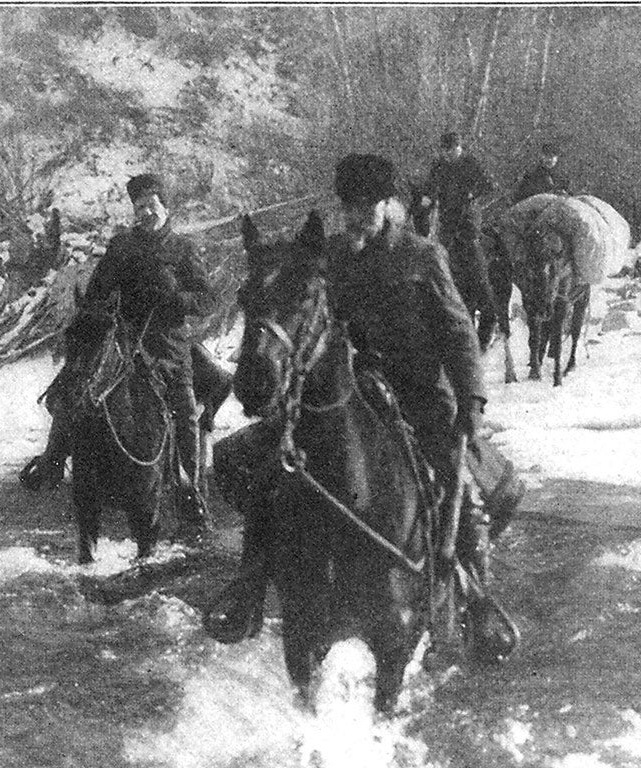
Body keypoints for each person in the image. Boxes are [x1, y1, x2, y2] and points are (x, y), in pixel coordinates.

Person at [203, 153, 496, 647]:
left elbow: (460, 331)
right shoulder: (330, 256)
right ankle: (251, 579)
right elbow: (299, 317)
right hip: (344, 392)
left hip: (417, 397)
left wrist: (471, 396)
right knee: (250, 465)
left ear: (388, 205)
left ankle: (473, 596)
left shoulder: (422, 256)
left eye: (366, 208)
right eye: (349, 209)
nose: (356, 219)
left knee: (456, 484)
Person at [19, 173, 216, 532]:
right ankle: (52, 460)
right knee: (71, 389)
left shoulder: (183, 249)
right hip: (124, 343)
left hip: (169, 348)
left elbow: (208, 299)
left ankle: (190, 491)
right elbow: (97, 292)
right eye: (139, 207)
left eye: (151, 205)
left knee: (185, 413)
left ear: (165, 206)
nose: (145, 213)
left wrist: (176, 300)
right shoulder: (122, 246)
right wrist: (99, 312)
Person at [418, 131, 500, 349]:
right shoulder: (439, 166)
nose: (450, 154)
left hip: (468, 224)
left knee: (479, 275)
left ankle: (483, 337)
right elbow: (430, 189)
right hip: (446, 226)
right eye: (446, 151)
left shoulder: (471, 164)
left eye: (453, 149)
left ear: (460, 148)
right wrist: (427, 198)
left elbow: (490, 186)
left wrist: (474, 194)